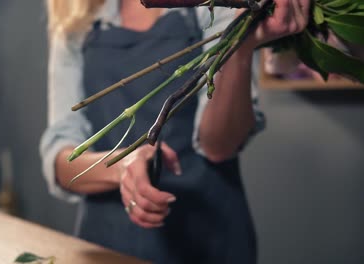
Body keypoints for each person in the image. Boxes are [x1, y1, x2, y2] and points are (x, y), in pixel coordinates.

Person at [40, 0, 309, 263]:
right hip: (110, 240)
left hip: (209, 233)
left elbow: (220, 146)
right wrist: (122, 166)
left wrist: (240, 46)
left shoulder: (216, 7)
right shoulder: (78, 17)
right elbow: (62, 164)